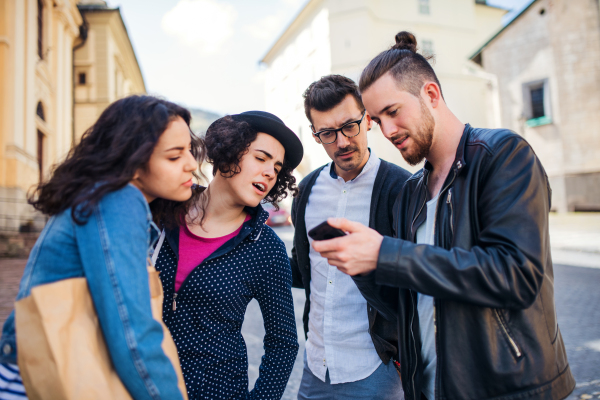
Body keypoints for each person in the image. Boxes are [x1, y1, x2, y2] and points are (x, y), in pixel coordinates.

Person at [312, 32, 576, 400]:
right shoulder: (410, 193)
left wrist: (384, 253)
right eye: (376, 118)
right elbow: (408, 301)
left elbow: (516, 275)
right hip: (432, 389)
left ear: (431, 95)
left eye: (393, 111)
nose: (387, 131)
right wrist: (361, 264)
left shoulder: (502, 156)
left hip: (511, 389)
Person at [0, 95, 202, 400]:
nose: (191, 164)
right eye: (174, 157)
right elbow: (130, 328)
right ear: (133, 161)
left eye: (189, 150)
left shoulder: (102, 197)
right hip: (40, 379)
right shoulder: (119, 200)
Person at [151, 111, 301, 400]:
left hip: (218, 391)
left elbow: (283, 343)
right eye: (261, 158)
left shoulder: (265, 247)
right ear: (230, 150)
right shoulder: (162, 210)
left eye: (277, 167)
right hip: (144, 386)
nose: (270, 172)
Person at [290, 74, 410, 399]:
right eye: (328, 133)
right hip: (316, 363)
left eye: (349, 126)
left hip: (375, 367)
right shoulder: (305, 192)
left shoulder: (403, 189)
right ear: (316, 137)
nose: (342, 141)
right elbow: (302, 268)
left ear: (368, 120)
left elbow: (416, 284)